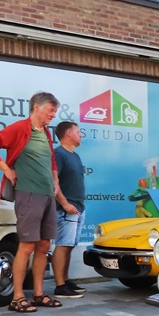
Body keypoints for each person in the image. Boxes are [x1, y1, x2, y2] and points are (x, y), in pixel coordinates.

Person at [0, 91, 63, 313]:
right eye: (51, 110)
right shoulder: (19, 128)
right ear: (36, 107)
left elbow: (51, 160)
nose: (53, 115)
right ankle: (17, 298)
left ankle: (38, 294)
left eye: (55, 111)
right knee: (26, 246)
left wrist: (55, 181)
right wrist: (7, 170)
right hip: (29, 194)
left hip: (47, 195)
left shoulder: (45, 133)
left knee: (44, 245)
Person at [51, 121, 87, 299]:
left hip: (78, 208)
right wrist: (65, 204)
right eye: (78, 132)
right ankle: (59, 286)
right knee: (63, 244)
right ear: (68, 134)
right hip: (66, 209)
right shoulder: (58, 154)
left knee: (69, 246)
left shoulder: (75, 156)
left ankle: (65, 281)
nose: (81, 135)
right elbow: (53, 182)